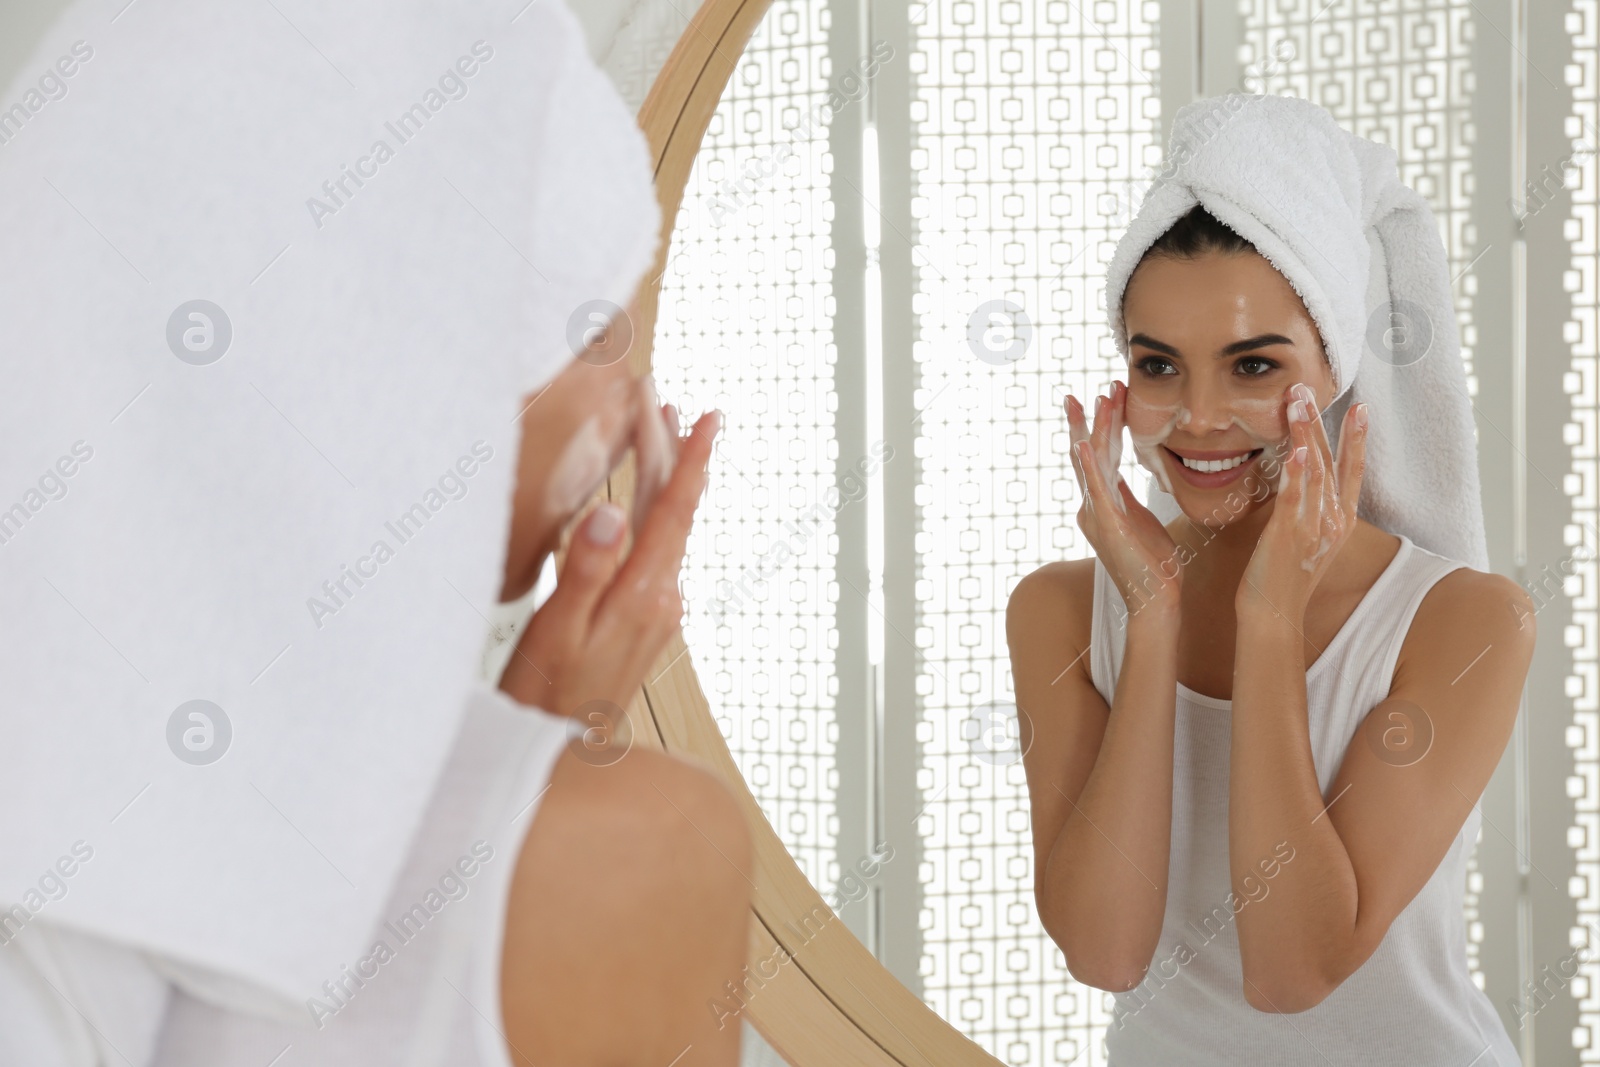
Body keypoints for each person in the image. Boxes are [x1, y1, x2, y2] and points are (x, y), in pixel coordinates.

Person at [0, 1, 752, 1064]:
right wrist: (541, 770)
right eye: (603, 328)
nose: (633, 406)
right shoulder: (642, 843)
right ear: (417, 338)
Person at [1008, 199, 1534, 1064]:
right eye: (1158, 365)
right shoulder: (1059, 612)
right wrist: (1152, 616)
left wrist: (1270, 619)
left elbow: (1292, 972)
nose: (1200, 416)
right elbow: (1106, 952)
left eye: (1252, 364)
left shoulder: (1465, 620)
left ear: (1335, 368)